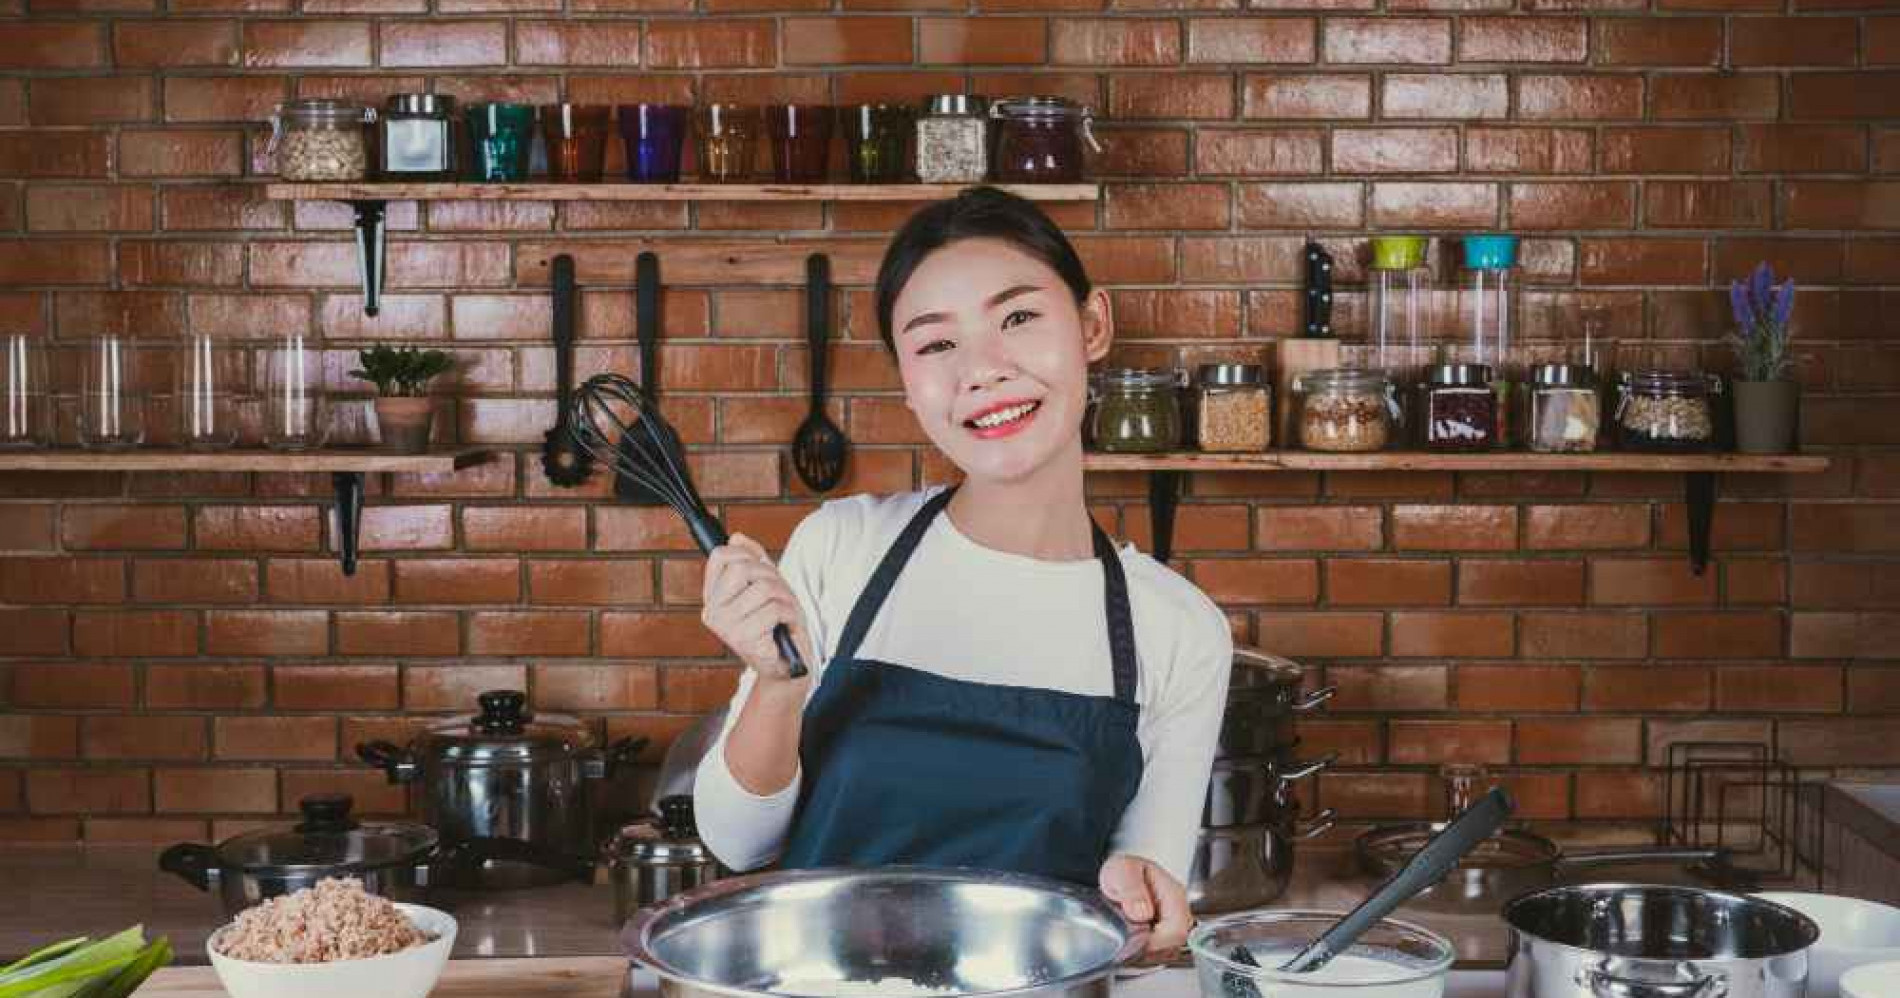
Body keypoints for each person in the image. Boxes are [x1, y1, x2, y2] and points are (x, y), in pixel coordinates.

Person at [693, 186, 1231, 958]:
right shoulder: (842, 548)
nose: (982, 371)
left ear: (1092, 325)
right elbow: (738, 841)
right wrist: (778, 688)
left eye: (1018, 318)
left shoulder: (1178, 629)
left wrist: (1145, 899)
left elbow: (1144, 882)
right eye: (937, 345)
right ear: (909, 388)